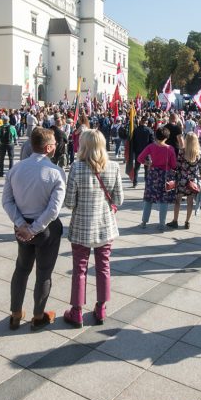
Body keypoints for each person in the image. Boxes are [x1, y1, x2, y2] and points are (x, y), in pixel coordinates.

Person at [1, 128, 65, 331]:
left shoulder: (16, 169)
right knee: (44, 273)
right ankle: (38, 316)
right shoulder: (56, 172)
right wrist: (34, 228)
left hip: (23, 227)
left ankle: (15, 313)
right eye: (54, 143)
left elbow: (7, 201)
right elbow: (53, 210)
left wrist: (22, 224)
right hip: (45, 229)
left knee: (21, 269)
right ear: (48, 148)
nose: (56, 145)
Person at [63, 130, 123, 328]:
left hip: (81, 226)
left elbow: (69, 202)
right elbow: (119, 200)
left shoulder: (76, 167)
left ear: (83, 145)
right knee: (103, 267)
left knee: (79, 270)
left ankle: (77, 311)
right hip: (105, 227)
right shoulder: (113, 166)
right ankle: (101, 308)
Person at [137, 127, 178, 229]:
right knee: (164, 200)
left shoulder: (151, 146)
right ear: (167, 137)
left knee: (149, 199)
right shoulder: (170, 149)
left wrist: (148, 163)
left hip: (153, 175)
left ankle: (144, 222)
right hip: (165, 175)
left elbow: (139, 158)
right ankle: (161, 224)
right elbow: (174, 165)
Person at [167, 132, 201, 229]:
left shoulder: (182, 151)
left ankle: (175, 221)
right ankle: (187, 222)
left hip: (182, 179)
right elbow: (200, 168)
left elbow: (177, 166)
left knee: (178, 200)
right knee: (190, 201)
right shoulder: (199, 154)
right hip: (192, 181)